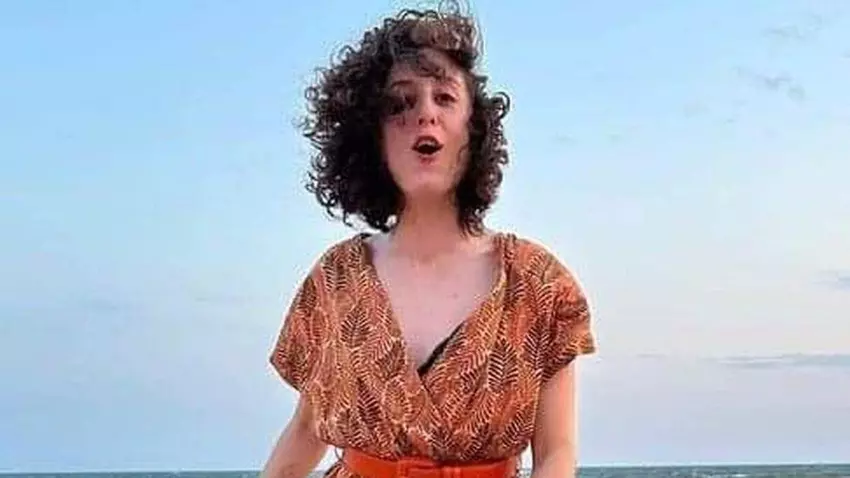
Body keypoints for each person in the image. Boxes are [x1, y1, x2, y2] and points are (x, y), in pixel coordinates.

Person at [262, 5, 596, 478]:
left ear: (473, 127)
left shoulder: (538, 283)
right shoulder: (335, 280)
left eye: (445, 97)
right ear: (372, 136)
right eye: (400, 103)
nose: (425, 114)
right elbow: (305, 429)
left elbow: (557, 452)